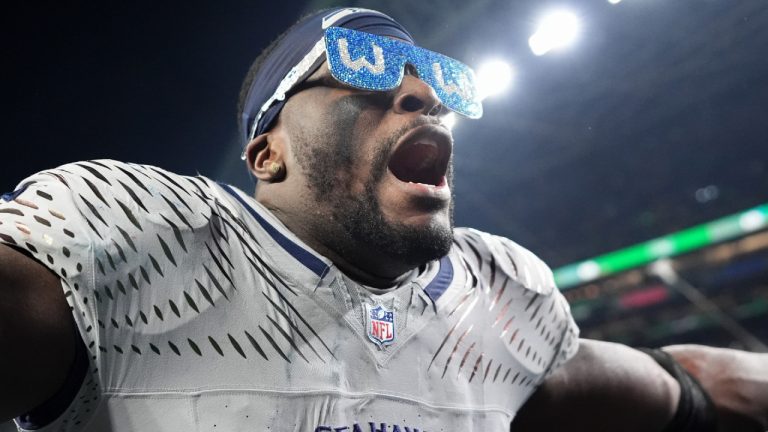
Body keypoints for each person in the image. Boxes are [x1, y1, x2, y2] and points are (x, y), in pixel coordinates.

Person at [0, 7, 765, 432]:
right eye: (362, 74)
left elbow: (690, 389)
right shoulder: (147, 244)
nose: (419, 98)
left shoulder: (499, 304)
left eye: (433, 88)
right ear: (267, 156)